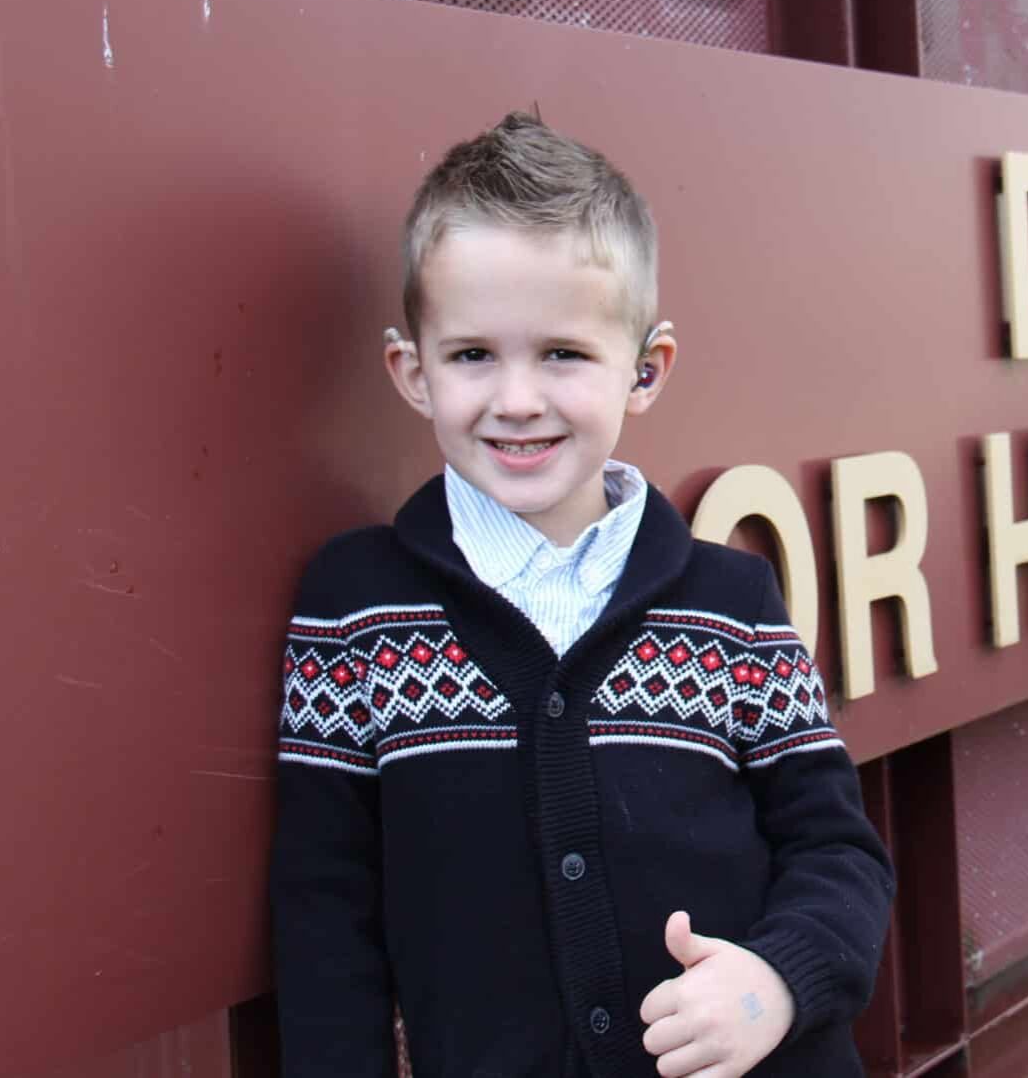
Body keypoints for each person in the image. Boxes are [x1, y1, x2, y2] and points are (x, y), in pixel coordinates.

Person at [269, 112, 894, 1077]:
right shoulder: (354, 609)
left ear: (645, 370)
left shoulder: (731, 602)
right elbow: (323, 913)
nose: (517, 398)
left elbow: (837, 850)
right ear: (412, 372)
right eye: (473, 354)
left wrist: (775, 981)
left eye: (563, 353)